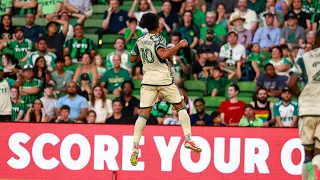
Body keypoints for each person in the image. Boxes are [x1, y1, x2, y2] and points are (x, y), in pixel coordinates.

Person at [129, 12, 202, 166]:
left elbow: (132, 58)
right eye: (159, 22)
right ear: (156, 25)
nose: (161, 25)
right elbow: (163, 54)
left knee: (143, 115)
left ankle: (135, 147)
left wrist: (146, 56)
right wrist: (179, 45)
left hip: (147, 80)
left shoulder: (141, 40)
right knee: (181, 107)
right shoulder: (159, 39)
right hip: (163, 79)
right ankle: (188, 139)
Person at [286, 30, 320, 179]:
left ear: (315, 41)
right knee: (319, 150)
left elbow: (290, 82)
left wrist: (301, 96)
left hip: (307, 109)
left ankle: (309, 178)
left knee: (308, 152)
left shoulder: (304, 58)